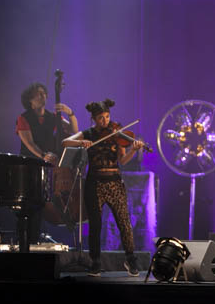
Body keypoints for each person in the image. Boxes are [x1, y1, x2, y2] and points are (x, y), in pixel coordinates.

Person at [62, 99, 143, 277]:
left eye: (107, 117)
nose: (105, 121)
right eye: (100, 118)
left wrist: (133, 150)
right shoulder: (88, 133)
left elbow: (122, 161)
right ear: (93, 118)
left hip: (114, 182)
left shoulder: (116, 133)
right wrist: (81, 143)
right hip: (95, 183)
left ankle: (131, 259)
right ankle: (95, 262)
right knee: (96, 225)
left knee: (124, 223)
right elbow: (66, 142)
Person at [16, 82, 79, 243]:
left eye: (44, 93)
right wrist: (43, 154)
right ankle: (26, 241)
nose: (43, 96)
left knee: (42, 202)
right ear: (30, 100)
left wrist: (70, 113)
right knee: (29, 203)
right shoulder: (24, 118)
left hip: (48, 166)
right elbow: (29, 143)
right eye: (39, 94)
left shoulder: (52, 117)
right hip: (29, 165)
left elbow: (74, 131)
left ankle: (37, 239)